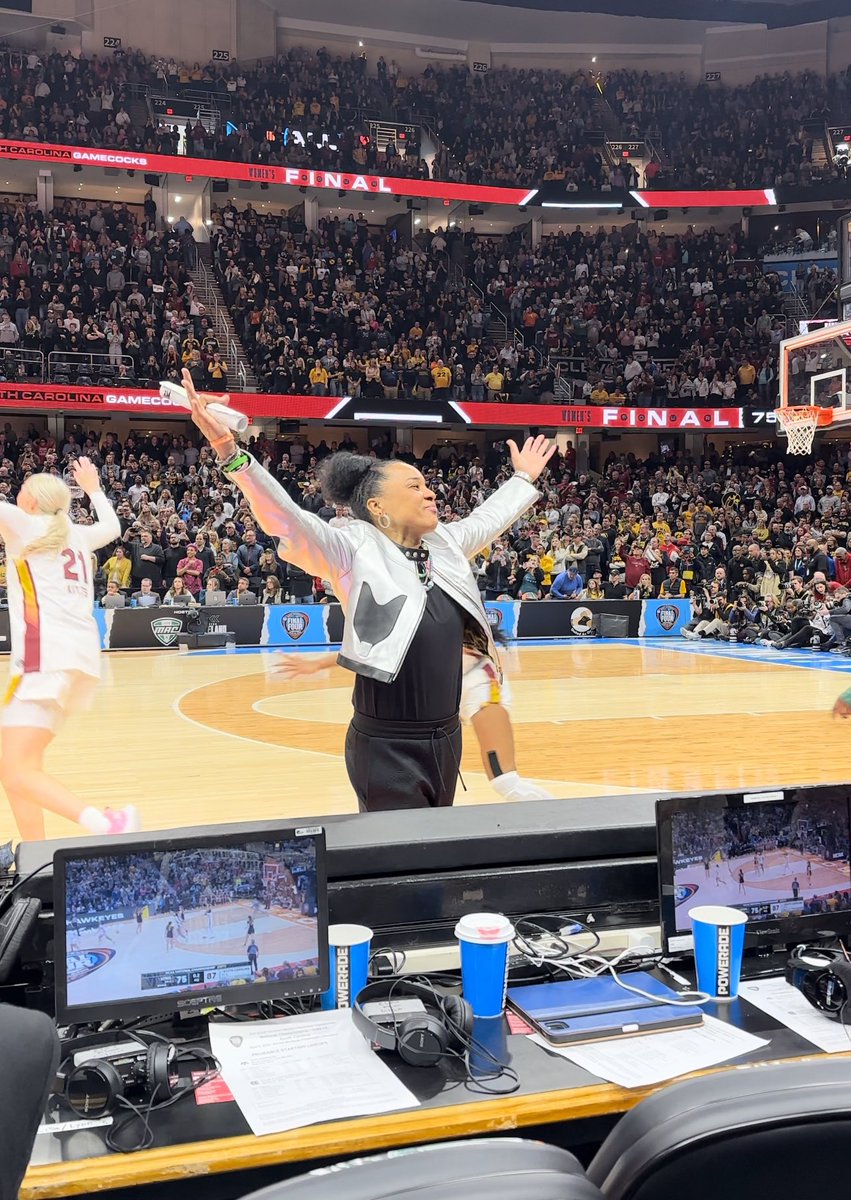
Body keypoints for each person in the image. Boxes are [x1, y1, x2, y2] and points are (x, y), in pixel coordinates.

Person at [182, 368, 552, 811]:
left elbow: (489, 519)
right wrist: (231, 453)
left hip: (447, 738)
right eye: (415, 486)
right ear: (377, 507)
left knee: (434, 854)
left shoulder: (446, 544)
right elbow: (288, 520)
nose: (431, 493)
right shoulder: (351, 548)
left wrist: (523, 479)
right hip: (387, 746)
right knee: (400, 863)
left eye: (428, 484)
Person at [0, 458, 139, 841]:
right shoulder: (75, 534)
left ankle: (103, 822)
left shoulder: (25, 525)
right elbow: (112, 527)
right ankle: (36, 853)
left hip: (44, 659)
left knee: (14, 770)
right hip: (77, 661)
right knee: (20, 767)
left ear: (29, 500)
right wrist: (94, 488)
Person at [276, 634, 554, 802]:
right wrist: (316, 664)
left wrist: (316, 664)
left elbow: (372, 650)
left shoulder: (474, 664)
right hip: (436, 705)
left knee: (505, 780)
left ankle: (553, 821)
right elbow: (372, 651)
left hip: (472, 690)